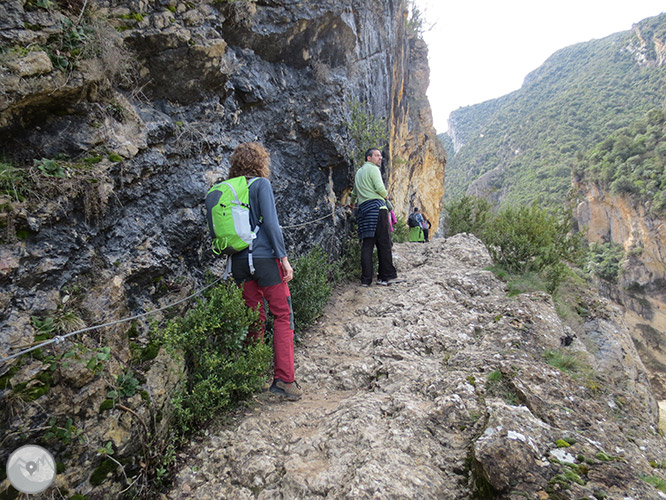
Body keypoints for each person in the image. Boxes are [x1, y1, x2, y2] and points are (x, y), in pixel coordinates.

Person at [228, 142, 301, 401]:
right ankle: (284, 380)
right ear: (260, 162)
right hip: (265, 260)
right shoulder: (261, 185)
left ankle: (252, 374)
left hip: (238, 262)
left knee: (253, 316)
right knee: (282, 315)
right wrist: (284, 259)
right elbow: (271, 223)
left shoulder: (229, 190)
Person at [350, 148, 403, 286]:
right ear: (369, 158)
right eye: (377, 155)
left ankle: (366, 280)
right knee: (384, 244)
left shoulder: (359, 173)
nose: (380, 158)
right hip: (378, 209)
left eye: (380, 156)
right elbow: (379, 187)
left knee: (367, 245)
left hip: (364, 211)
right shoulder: (373, 169)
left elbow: (354, 193)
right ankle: (386, 276)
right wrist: (386, 196)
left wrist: (351, 204)